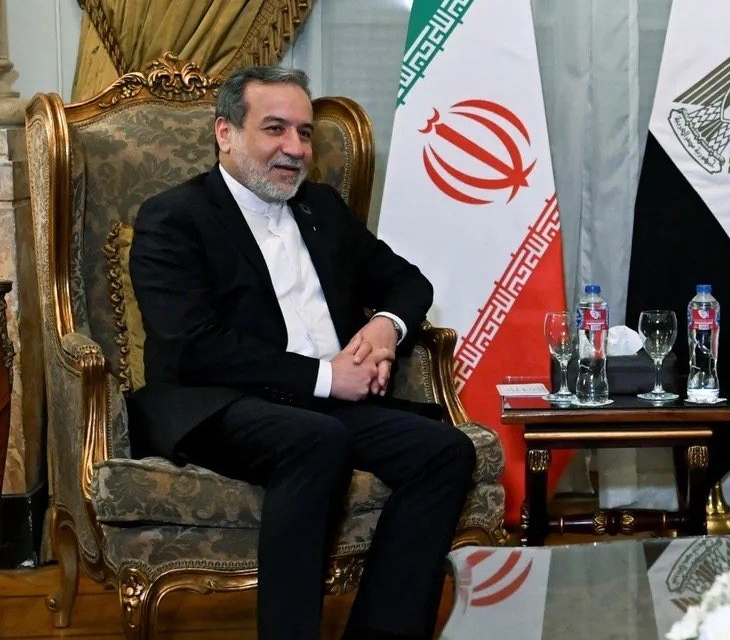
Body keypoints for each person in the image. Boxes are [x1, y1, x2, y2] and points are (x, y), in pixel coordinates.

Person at [128, 65, 475, 640]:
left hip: (324, 405)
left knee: (445, 452)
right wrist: (327, 376)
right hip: (217, 403)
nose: (295, 148)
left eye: (305, 132)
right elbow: (192, 346)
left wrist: (385, 328)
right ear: (225, 133)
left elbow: (409, 283)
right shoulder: (174, 217)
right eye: (275, 129)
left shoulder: (321, 209)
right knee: (317, 440)